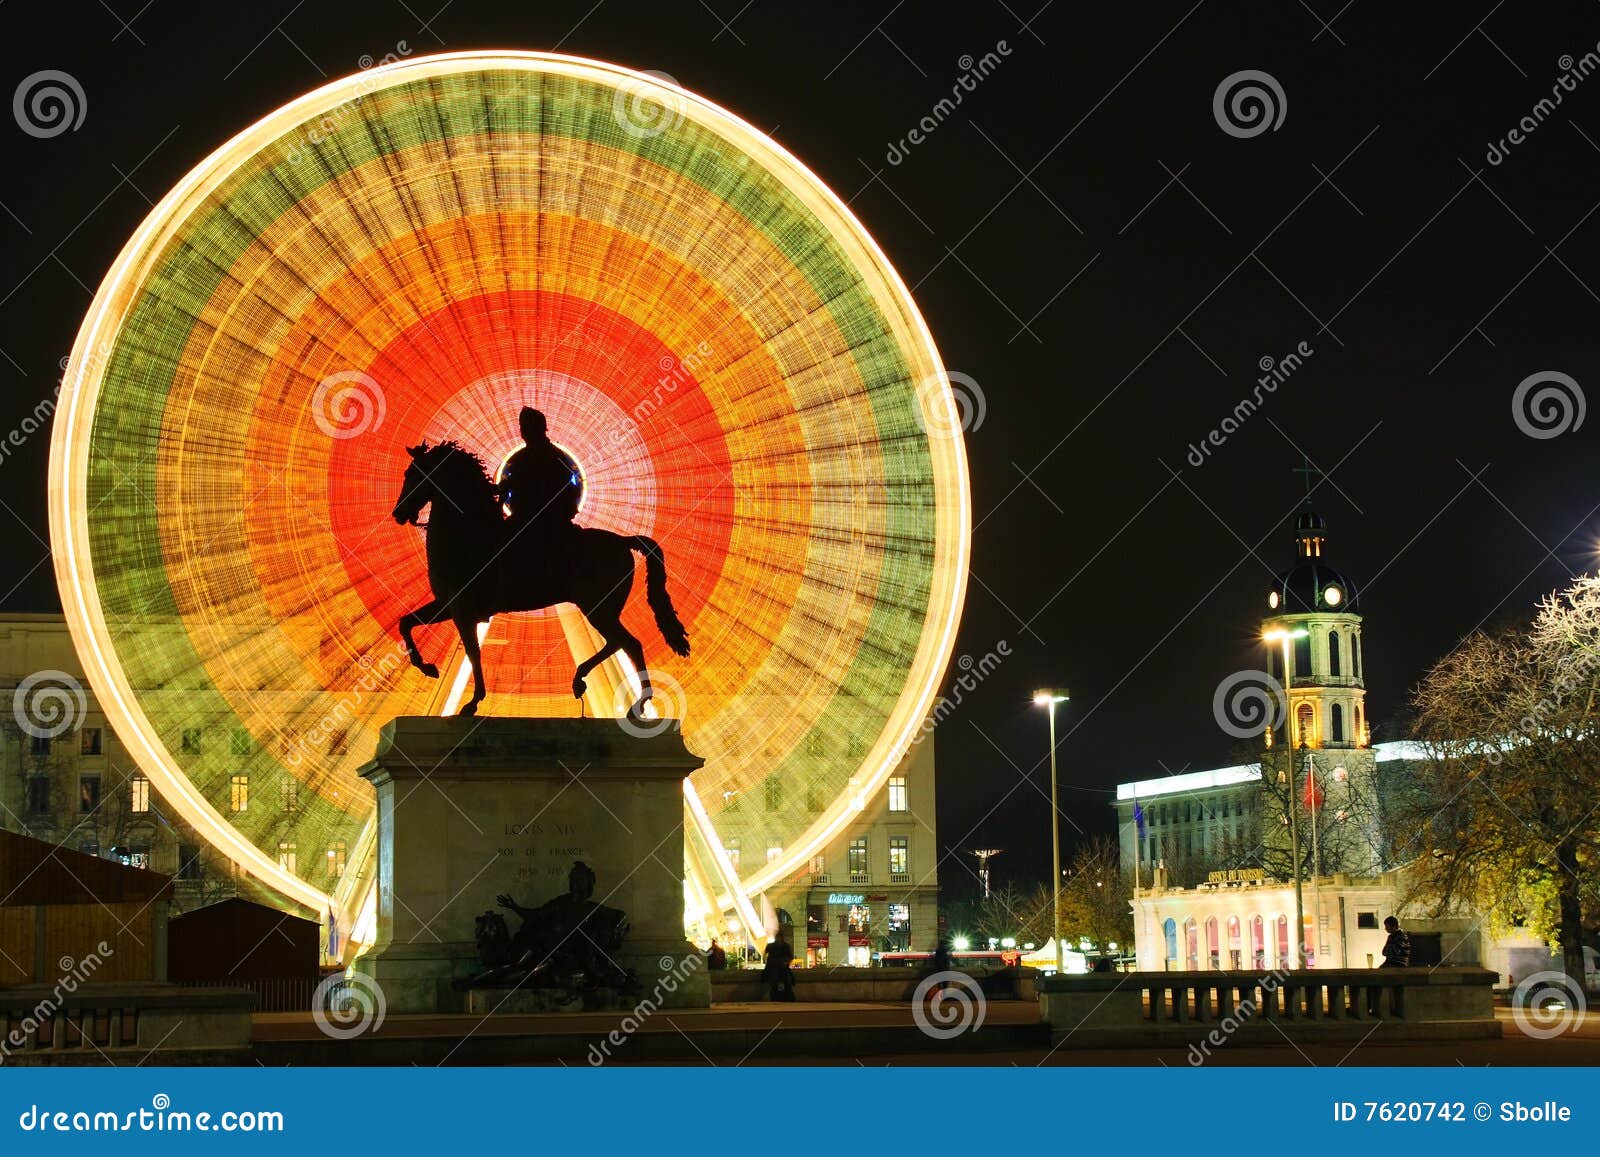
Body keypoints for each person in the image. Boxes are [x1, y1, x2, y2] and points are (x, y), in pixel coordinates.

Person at [499, 407, 581, 539]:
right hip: (553, 519)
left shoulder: (526, 457)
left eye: (524, 426)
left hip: (534, 521)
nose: (522, 431)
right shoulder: (555, 454)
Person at [761, 936, 796, 1002]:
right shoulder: (785, 945)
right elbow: (790, 957)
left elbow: (764, 955)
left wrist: (766, 961)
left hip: (775, 967)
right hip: (780, 967)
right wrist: (786, 962)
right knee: (786, 982)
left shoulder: (771, 945)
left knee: (776, 983)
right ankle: (786, 997)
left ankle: (776, 997)